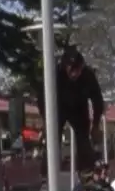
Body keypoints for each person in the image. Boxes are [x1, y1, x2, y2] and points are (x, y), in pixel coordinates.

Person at [38, 45, 106, 176]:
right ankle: (46, 177)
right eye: (71, 70)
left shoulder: (88, 76)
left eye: (78, 70)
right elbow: (41, 98)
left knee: (83, 140)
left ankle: (87, 173)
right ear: (65, 67)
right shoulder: (55, 74)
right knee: (52, 139)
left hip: (79, 108)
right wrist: (45, 120)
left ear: (82, 68)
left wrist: (96, 124)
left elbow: (98, 101)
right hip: (58, 108)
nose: (74, 74)